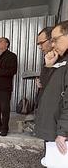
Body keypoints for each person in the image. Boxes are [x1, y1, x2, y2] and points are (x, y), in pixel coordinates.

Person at [35, 20, 68, 156]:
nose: (53, 44)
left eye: (55, 40)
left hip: (60, 129)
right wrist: (48, 66)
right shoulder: (57, 58)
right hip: (52, 125)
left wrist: (63, 131)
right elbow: (44, 85)